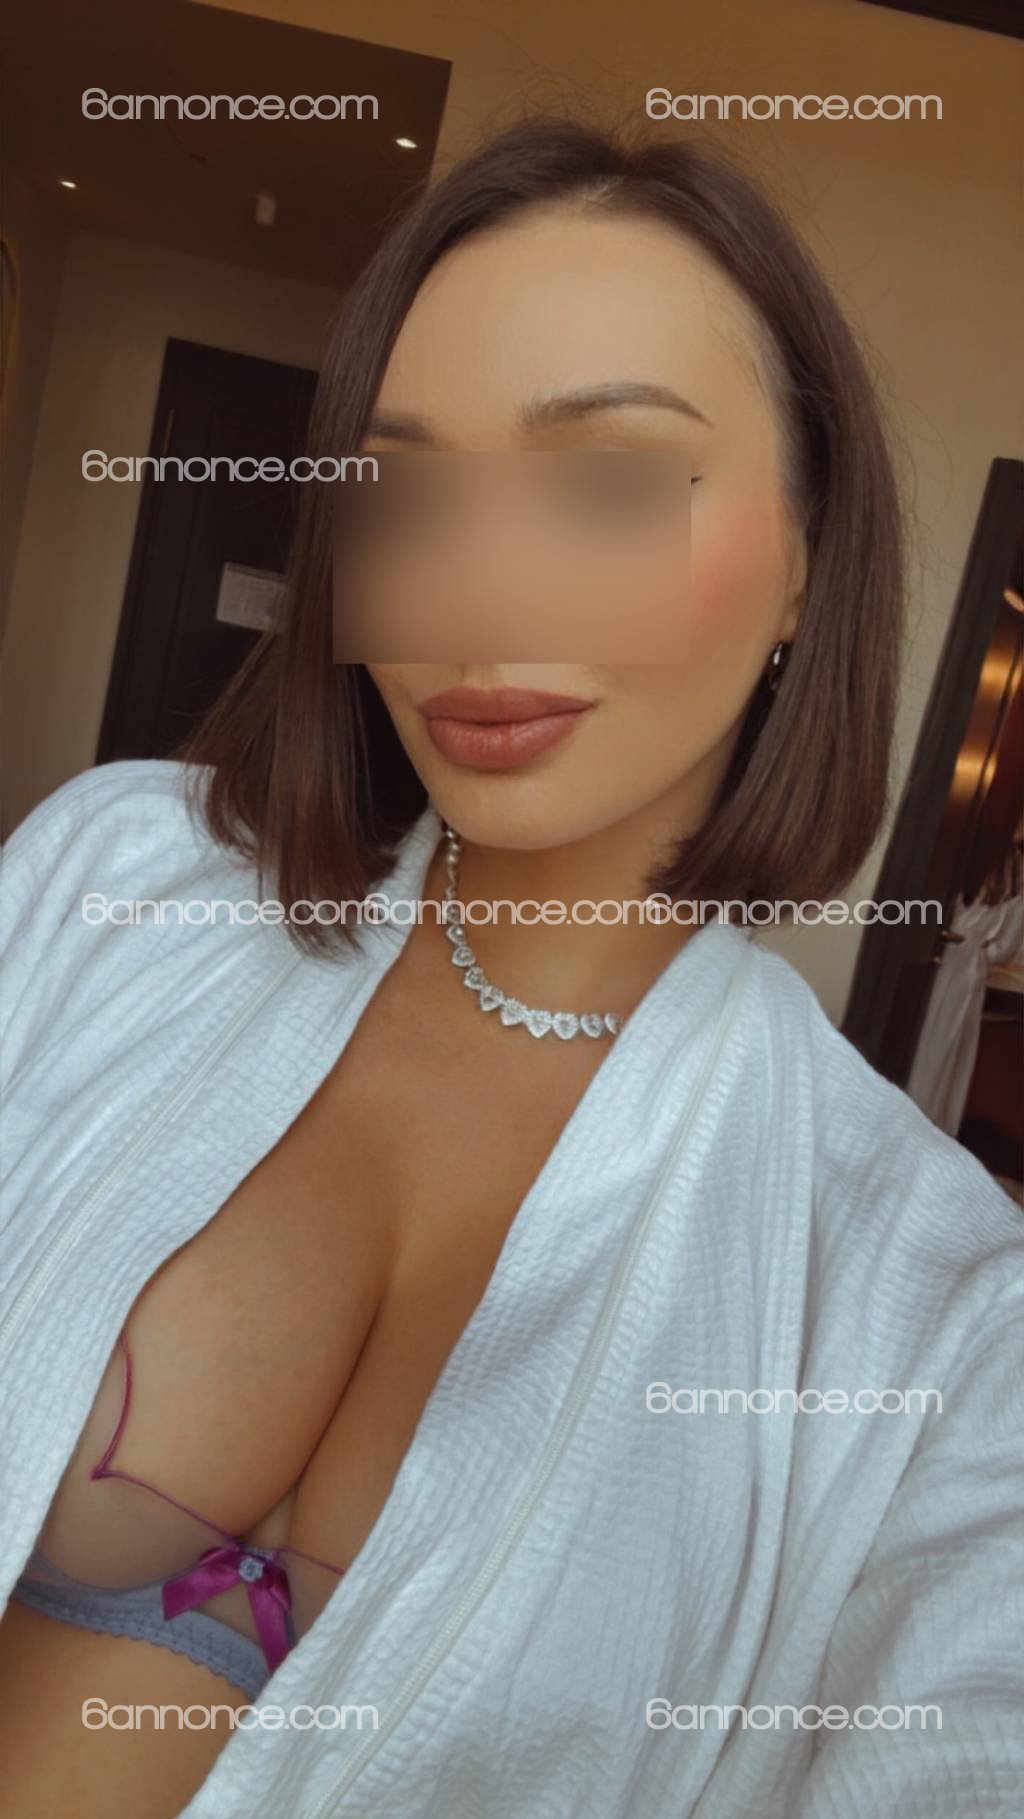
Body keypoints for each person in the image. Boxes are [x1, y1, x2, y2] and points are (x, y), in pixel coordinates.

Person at [0, 118, 1021, 1819]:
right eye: (407, 492)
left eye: (611, 483)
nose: (475, 591)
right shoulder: (110, 880)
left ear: (807, 559)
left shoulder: (932, 1307)